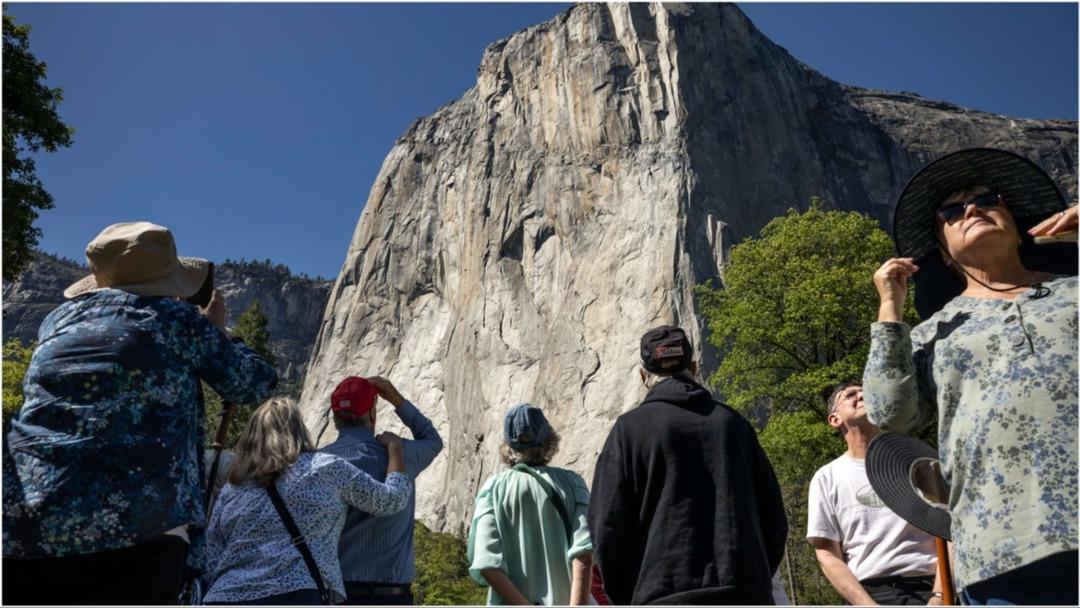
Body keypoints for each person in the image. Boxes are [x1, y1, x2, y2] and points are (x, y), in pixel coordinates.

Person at [2, 222, 278, 605]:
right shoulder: (176, 320)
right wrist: (221, 333)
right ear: (167, 281)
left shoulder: (57, 321)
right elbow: (254, 384)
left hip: (25, 520)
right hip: (135, 529)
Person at [863, 148, 1078, 605]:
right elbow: (889, 413)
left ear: (1017, 224)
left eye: (986, 200)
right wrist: (890, 307)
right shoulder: (932, 332)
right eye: (952, 211)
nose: (972, 210)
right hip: (999, 549)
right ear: (942, 251)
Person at [588, 325, 788, 605]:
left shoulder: (628, 431)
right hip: (745, 592)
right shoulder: (734, 425)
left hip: (662, 596)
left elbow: (607, 527)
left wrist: (629, 596)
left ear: (643, 376)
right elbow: (774, 520)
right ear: (694, 368)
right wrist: (753, 577)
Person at [202, 397, 412, 605]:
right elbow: (391, 501)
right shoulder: (327, 468)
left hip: (223, 596)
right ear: (299, 429)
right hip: (294, 593)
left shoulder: (233, 488)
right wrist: (395, 450)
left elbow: (211, 555)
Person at [807, 383, 941, 605]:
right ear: (834, 419)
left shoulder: (918, 464)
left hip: (930, 587)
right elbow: (827, 554)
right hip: (869, 593)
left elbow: (950, 533)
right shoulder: (827, 478)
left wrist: (940, 596)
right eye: (850, 395)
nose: (861, 395)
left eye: (866, 392)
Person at [319, 375, 444, 605]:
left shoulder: (319, 463)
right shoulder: (402, 453)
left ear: (335, 418)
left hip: (337, 595)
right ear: (372, 414)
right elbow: (433, 440)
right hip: (393, 596)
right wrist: (397, 401)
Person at [467, 404, 594, 605]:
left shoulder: (492, 490)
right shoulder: (574, 484)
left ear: (507, 446)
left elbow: (487, 564)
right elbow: (584, 554)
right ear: (549, 441)